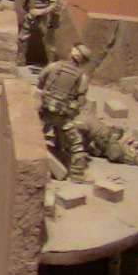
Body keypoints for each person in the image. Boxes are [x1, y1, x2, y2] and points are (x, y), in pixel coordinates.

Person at [38, 44, 91, 181]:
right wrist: (71, 112)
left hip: (43, 113)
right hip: (62, 117)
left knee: (36, 136)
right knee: (76, 143)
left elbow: (41, 82)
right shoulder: (82, 77)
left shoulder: (54, 66)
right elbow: (80, 102)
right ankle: (77, 175)